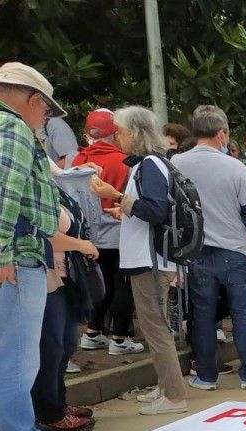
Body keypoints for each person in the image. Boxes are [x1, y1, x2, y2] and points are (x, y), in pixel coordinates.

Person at [0, 62, 77, 431]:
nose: (44, 120)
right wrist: (2, 257)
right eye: (46, 112)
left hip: (13, 255)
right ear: (33, 101)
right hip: (18, 255)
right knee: (16, 358)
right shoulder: (12, 130)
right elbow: (5, 196)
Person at [89, 105, 190, 416]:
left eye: (119, 131)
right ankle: (166, 388)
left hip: (150, 261)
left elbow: (156, 210)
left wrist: (117, 197)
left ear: (134, 133)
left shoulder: (150, 166)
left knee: (155, 328)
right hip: (149, 259)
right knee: (153, 327)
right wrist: (125, 209)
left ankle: (173, 396)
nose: (117, 137)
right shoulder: (150, 165)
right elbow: (151, 211)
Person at [171, 104, 246, 390]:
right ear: (222, 133)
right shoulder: (235, 167)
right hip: (236, 250)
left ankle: (207, 376)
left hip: (197, 253)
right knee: (241, 316)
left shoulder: (176, 164)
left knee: (202, 316)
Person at [72, 108, 142, 358]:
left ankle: (92, 332)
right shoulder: (123, 160)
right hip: (117, 229)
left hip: (87, 234)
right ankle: (120, 338)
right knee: (121, 284)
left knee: (98, 284)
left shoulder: (78, 160)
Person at [35, 188, 98, 431]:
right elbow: (43, 234)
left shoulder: (53, 186)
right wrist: (80, 244)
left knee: (65, 344)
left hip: (65, 274)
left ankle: (57, 403)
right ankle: (49, 412)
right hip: (45, 276)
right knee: (51, 347)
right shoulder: (29, 187)